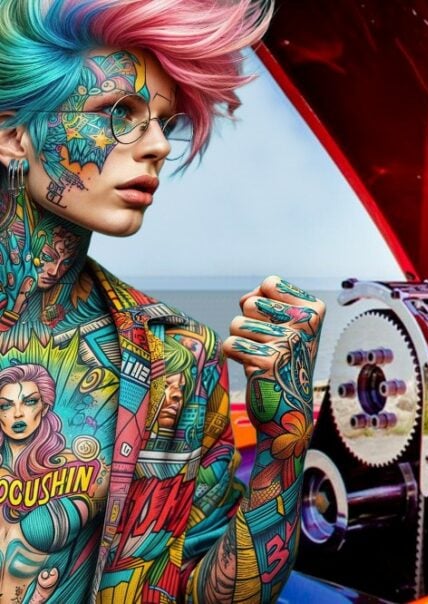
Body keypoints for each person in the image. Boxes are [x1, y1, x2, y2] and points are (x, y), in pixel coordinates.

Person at [0, 0, 326, 601]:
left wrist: (284, 442)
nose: (158, 146)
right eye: (118, 113)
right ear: (15, 136)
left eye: (162, 122)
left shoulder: (177, 360)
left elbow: (212, 594)